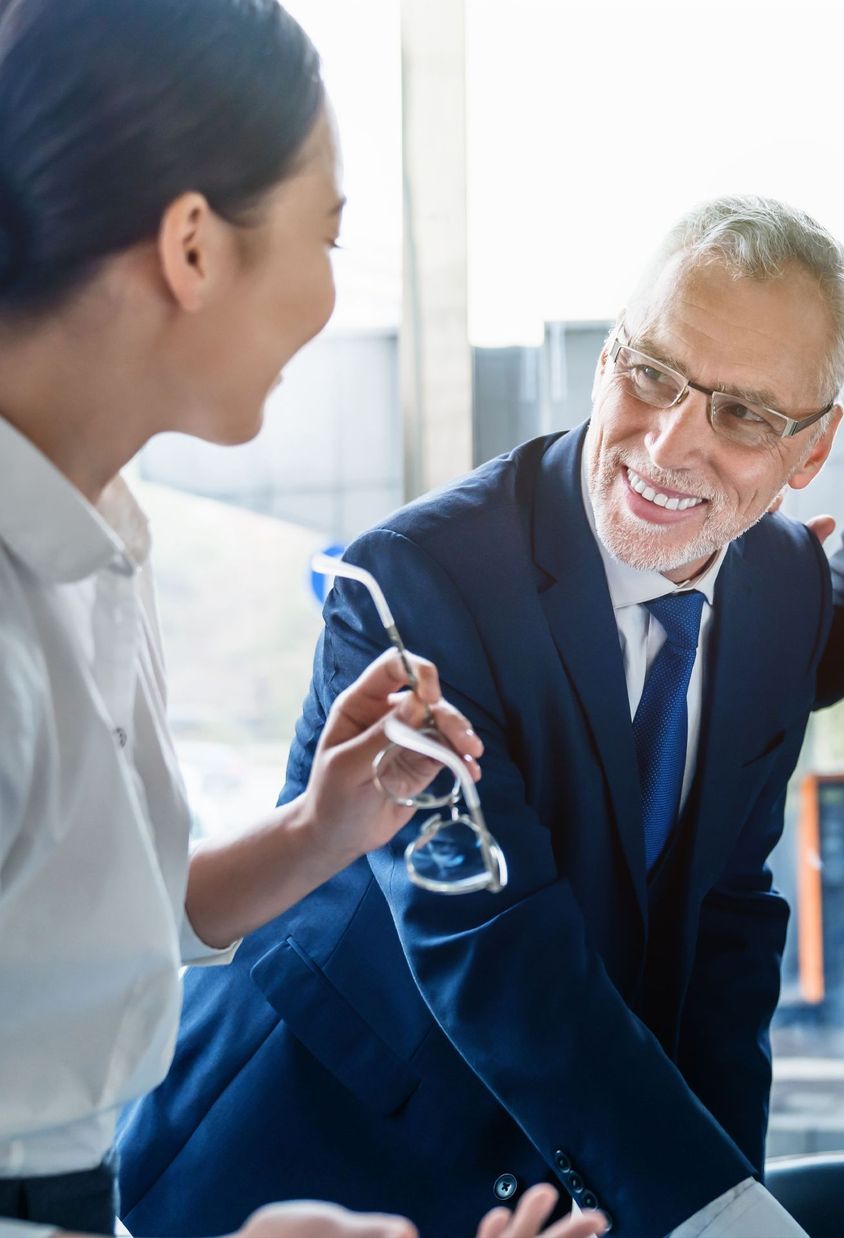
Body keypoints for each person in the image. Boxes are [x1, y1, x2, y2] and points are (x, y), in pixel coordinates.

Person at [118, 194, 844, 1238]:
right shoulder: (413, 585)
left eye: (739, 415)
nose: (669, 442)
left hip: (568, 1186)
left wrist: (729, 1195)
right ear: (605, 359)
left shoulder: (784, 591)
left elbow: (728, 928)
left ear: (808, 452)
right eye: (650, 373)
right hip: (313, 1151)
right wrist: (713, 1213)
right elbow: (496, 945)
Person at [0, 3, 609, 1238]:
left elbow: (68, 925)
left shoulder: (97, 525)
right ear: (191, 246)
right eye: (327, 235)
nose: (334, 294)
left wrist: (316, 830)